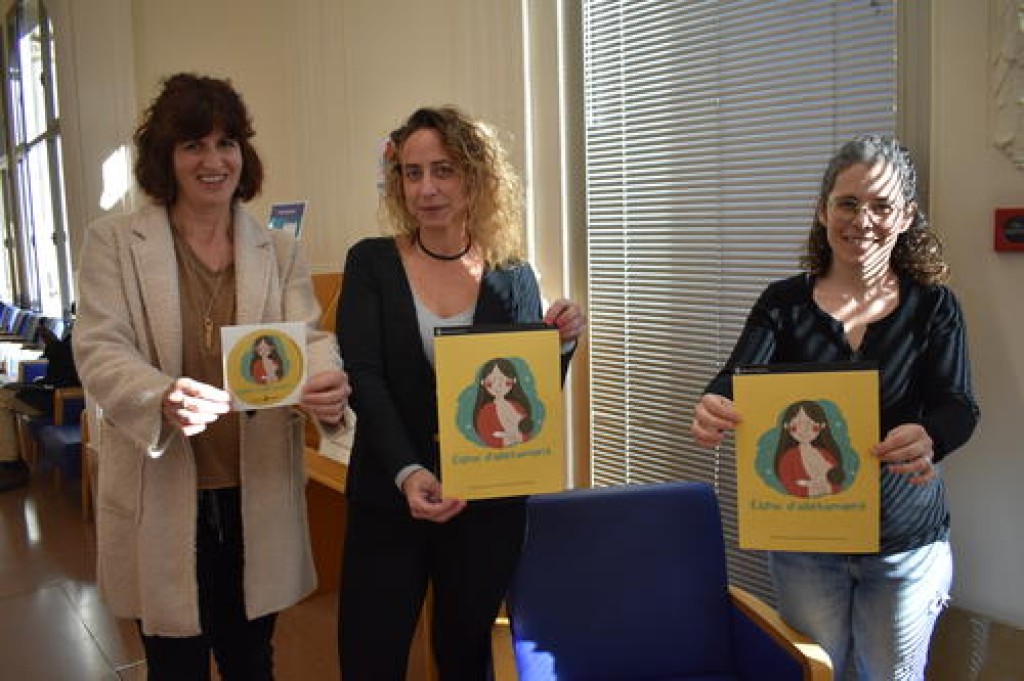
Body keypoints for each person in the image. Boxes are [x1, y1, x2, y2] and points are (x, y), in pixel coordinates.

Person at [73, 73, 352, 680]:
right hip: (159, 488)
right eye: (193, 145)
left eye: (226, 143)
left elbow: (308, 341)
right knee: (174, 662)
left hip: (255, 490)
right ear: (165, 157)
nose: (213, 160)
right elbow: (98, 346)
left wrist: (325, 384)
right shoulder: (114, 243)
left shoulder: (279, 250)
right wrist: (159, 395)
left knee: (252, 658)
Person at [690, 134, 979, 680]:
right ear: (823, 211)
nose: (862, 220)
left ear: (905, 217)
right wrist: (715, 402)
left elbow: (958, 404)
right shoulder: (783, 303)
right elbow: (737, 379)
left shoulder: (935, 306)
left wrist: (932, 436)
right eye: (848, 203)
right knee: (817, 671)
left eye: (881, 206)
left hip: (903, 547)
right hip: (806, 542)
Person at [336, 106, 587, 679]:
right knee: (370, 656)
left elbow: (528, 401)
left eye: (443, 170)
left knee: (467, 655)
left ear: (476, 177)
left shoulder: (513, 274)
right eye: (413, 172)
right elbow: (365, 377)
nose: (426, 189)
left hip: (486, 505)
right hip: (389, 494)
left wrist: (561, 345)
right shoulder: (371, 262)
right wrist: (408, 472)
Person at [773, 400, 845, 498]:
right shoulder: (788, 458)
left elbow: (836, 482)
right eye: (796, 425)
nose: (804, 430)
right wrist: (813, 489)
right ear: (786, 426)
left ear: (822, 426)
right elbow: (790, 486)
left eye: (810, 425)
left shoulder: (825, 454)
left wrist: (825, 487)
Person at [473, 357, 534, 448]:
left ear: (514, 381)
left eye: (505, 382)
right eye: (491, 382)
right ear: (483, 383)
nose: (498, 386)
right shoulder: (486, 411)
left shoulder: (517, 406)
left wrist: (517, 436)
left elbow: (526, 431)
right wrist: (509, 439)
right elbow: (487, 438)